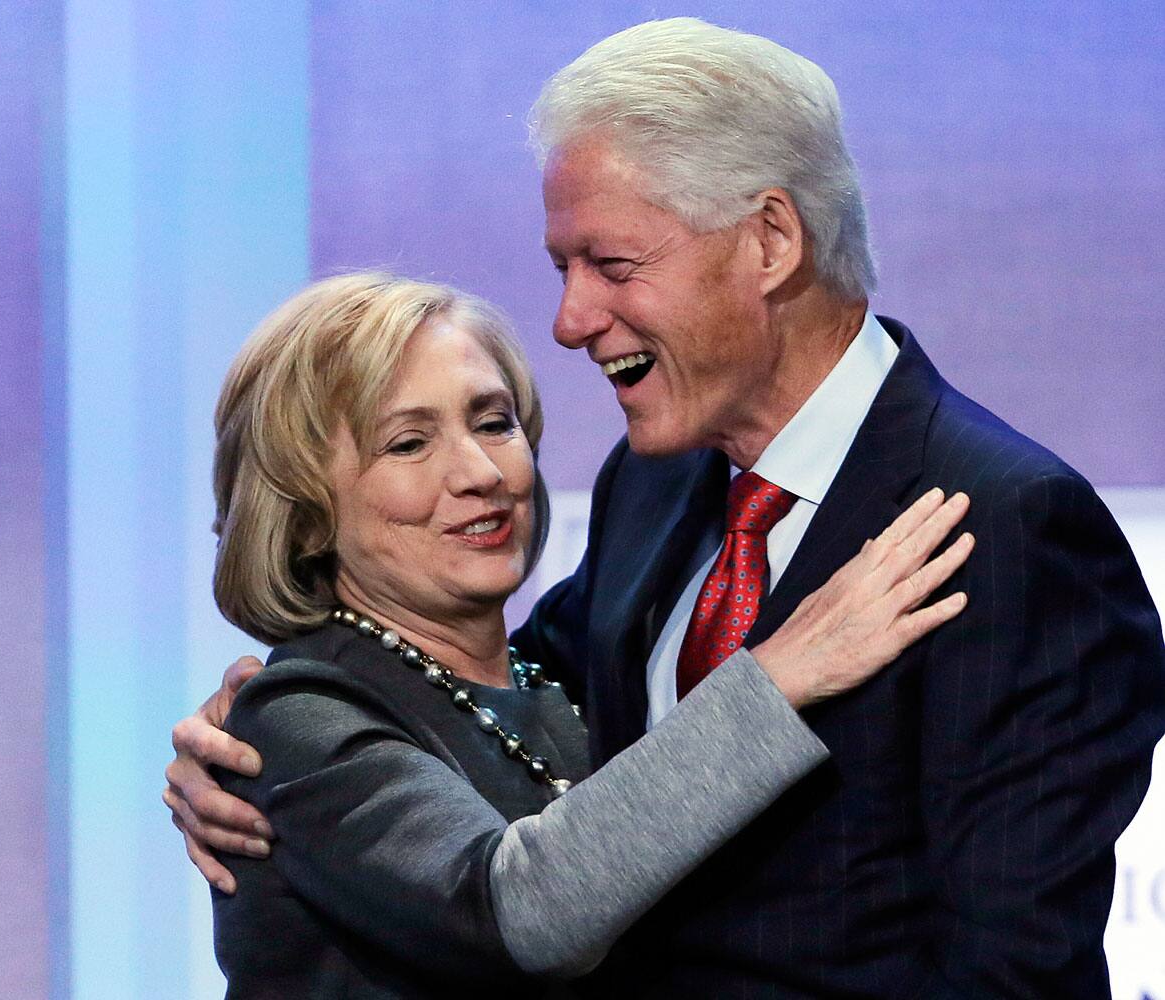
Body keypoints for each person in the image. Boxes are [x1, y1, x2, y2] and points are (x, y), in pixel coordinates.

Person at [167, 18, 1165, 999]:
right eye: (564, 269)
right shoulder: (658, 482)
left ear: (771, 239)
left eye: (611, 264)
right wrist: (256, 740)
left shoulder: (1005, 527)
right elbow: (474, 716)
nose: (569, 321)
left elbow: (1012, 969)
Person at [197, 270, 971, 997]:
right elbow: (516, 911)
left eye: (493, 423)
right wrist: (777, 679)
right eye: (408, 443)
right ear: (301, 515)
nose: (481, 472)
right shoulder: (299, 717)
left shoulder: (550, 670)